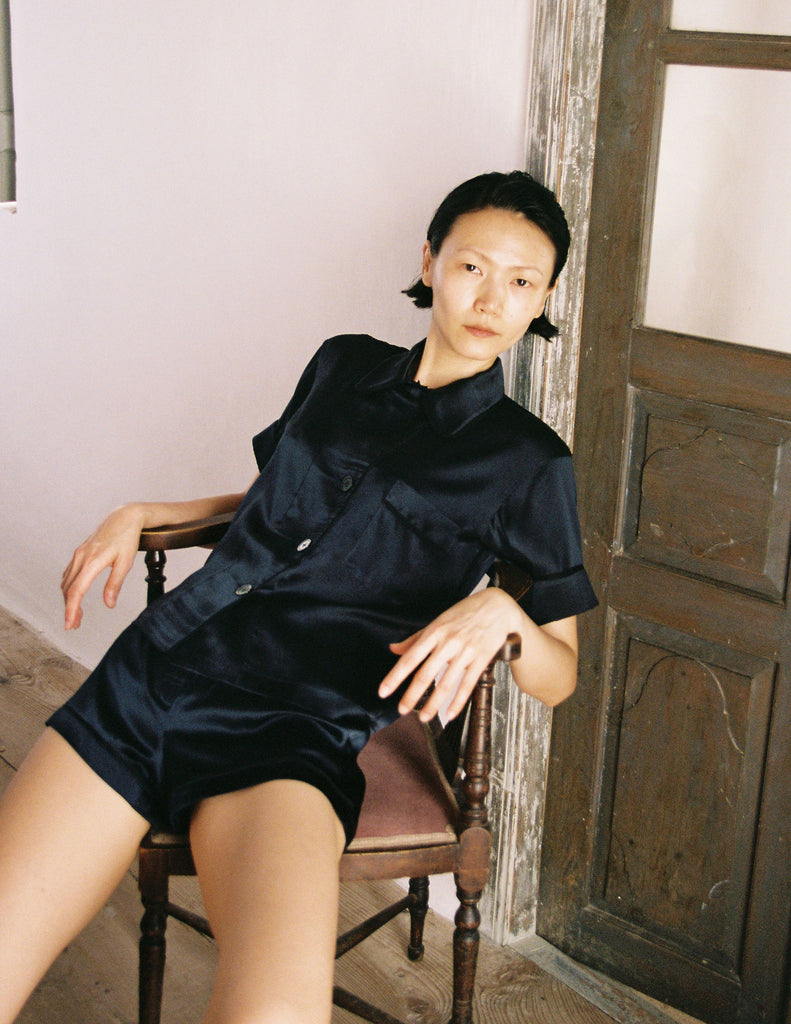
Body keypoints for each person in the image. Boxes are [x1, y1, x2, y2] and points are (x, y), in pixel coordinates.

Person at [0, 171, 596, 1024]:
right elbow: (275, 508)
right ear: (429, 262)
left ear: (542, 299)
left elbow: (558, 674)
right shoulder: (341, 363)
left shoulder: (530, 461)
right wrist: (149, 513)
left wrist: (504, 611)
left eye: (522, 281)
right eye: (472, 266)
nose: (491, 299)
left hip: (294, 729)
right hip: (156, 673)